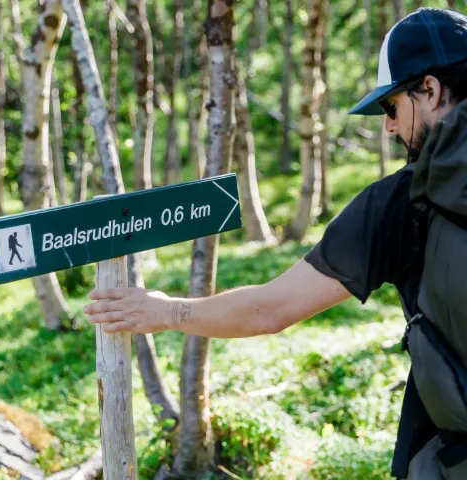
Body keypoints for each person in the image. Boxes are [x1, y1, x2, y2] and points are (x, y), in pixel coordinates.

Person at [84, 8, 467, 480]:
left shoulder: (400, 203)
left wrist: (166, 311)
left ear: (429, 89)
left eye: (391, 107)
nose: (388, 126)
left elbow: (270, 309)